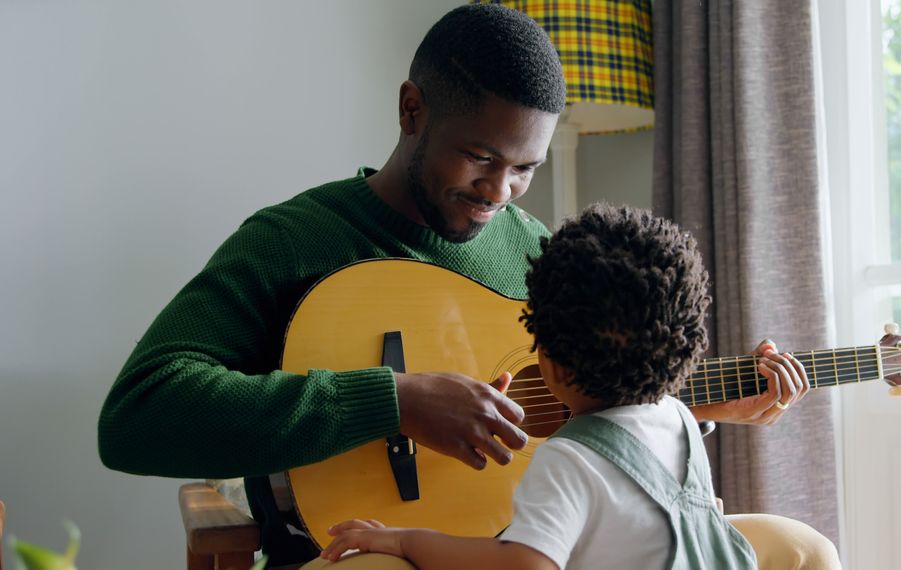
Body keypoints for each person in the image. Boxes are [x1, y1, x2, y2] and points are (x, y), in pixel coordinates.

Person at [97, 4, 833, 569]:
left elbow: (582, 409)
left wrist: (687, 406)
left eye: (526, 169)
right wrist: (394, 401)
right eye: (481, 157)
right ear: (412, 109)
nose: (500, 191)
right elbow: (137, 415)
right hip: (376, 549)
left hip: (547, 545)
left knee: (800, 550)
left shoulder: (542, 252)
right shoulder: (294, 241)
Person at [309, 205, 826, 570]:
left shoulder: (568, 460)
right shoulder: (680, 420)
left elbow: (525, 565)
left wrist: (405, 540)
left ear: (548, 362)